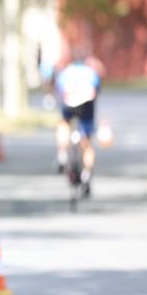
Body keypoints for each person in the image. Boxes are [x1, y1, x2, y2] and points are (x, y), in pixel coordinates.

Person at [53, 46, 103, 197]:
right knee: (87, 141)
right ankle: (87, 173)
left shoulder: (66, 72)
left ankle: (62, 154)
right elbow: (97, 90)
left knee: (64, 123)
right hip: (87, 103)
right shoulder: (91, 72)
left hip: (69, 101)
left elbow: (59, 90)